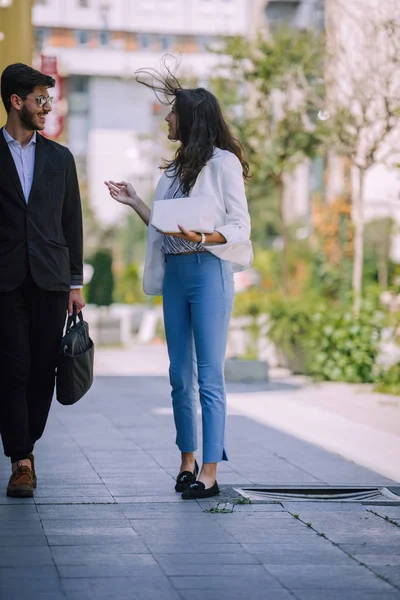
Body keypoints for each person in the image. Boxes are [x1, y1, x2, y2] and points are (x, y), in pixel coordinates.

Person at [105, 66, 252, 499]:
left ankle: (210, 471)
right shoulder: (169, 174)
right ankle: (186, 460)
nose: (166, 120)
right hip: (175, 277)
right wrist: (136, 202)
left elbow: (241, 226)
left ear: (189, 118)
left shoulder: (223, 164)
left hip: (208, 273)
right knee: (178, 376)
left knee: (209, 376)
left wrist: (204, 237)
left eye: (171, 114)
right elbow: (167, 228)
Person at [0, 63, 85, 497]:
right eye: (40, 99)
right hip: (5, 282)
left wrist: (75, 283)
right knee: (11, 368)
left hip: (51, 280)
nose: (47, 107)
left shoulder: (60, 158)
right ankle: (21, 460)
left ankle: (26, 445)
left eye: (48, 99)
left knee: (42, 371)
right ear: (17, 102)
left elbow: (72, 223)